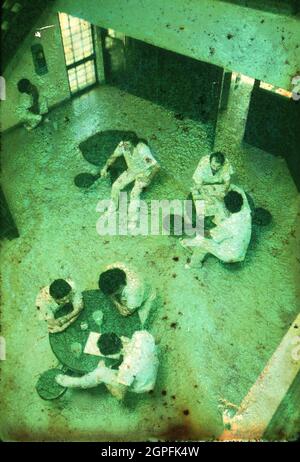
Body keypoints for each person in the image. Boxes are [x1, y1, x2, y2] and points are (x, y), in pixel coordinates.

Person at [55, 330, 159, 400]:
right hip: (153, 364)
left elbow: (120, 395)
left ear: (113, 354)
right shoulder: (139, 335)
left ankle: (74, 382)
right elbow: (157, 339)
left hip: (143, 384)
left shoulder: (126, 369)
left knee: (101, 373)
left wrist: (106, 380)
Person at [100, 133, 159, 228]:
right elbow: (113, 156)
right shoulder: (122, 145)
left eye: (127, 144)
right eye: (124, 144)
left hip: (144, 172)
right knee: (115, 186)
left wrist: (148, 178)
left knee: (134, 194)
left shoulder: (142, 149)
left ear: (134, 143)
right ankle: (112, 208)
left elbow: (156, 166)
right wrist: (105, 168)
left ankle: (133, 219)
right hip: (131, 170)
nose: (124, 146)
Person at [181, 189, 251, 268]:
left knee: (203, 243)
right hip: (241, 245)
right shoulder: (246, 211)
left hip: (231, 254)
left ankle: (194, 264)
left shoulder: (227, 226)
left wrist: (189, 240)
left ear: (226, 207)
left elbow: (208, 235)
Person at [191, 152, 234, 217]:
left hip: (218, 183)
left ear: (222, 165)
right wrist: (206, 197)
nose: (215, 168)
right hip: (204, 183)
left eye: (218, 166)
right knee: (201, 209)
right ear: (210, 162)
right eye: (213, 165)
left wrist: (224, 192)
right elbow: (198, 184)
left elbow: (227, 182)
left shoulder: (226, 164)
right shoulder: (203, 165)